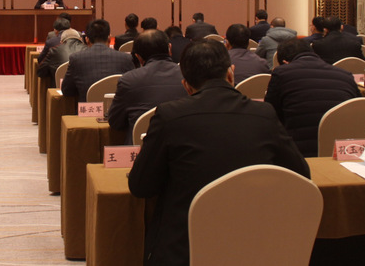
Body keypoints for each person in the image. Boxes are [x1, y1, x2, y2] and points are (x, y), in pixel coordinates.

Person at [128, 40, 309, 266]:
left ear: (186, 85)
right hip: (255, 243)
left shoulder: (169, 116)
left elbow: (140, 186)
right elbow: (301, 174)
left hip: (184, 247)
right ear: (231, 74)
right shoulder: (264, 114)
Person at [264, 38, 359, 157]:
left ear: (284, 62)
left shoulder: (281, 73)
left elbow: (271, 113)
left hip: (297, 152)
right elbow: (359, 108)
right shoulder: (345, 75)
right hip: (342, 151)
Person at [107, 30, 186, 144]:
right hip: (182, 147)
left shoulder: (129, 80)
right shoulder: (188, 76)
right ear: (170, 48)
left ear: (138, 57)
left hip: (140, 148)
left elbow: (115, 123)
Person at [61, 19, 134, 102]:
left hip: (88, 108)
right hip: (117, 109)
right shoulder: (125, 58)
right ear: (109, 38)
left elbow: (67, 91)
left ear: (87, 40)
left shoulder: (76, 59)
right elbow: (133, 88)